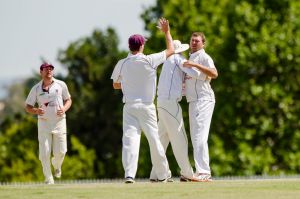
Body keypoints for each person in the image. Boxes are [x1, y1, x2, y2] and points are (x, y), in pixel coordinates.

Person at [111, 18, 174, 183]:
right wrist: (166, 32)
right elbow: (171, 49)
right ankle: (162, 175)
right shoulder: (150, 60)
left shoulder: (122, 63)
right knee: (154, 140)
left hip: (129, 107)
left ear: (129, 47)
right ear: (142, 46)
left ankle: (129, 175)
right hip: (146, 107)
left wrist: (128, 84)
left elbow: (116, 85)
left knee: (130, 140)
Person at [149, 40, 205, 182]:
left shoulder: (168, 61)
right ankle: (187, 173)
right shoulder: (177, 59)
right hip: (170, 104)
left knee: (162, 139)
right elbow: (196, 74)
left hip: (161, 103)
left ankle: (155, 174)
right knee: (180, 139)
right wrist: (205, 73)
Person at [25, 63, 72, 184]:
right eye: (46, 69)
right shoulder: (36, 88)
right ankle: (48, 178)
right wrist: (36, 110)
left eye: (51, 69)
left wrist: (64, 109)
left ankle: (56, 165)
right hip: (44, 123)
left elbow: (68, 100)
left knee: (61, 151)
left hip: (59, 122)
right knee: (44, 152)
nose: (49, 71)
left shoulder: (61, 84)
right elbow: (28, 106)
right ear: (41, 72)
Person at [183, 32, 218, 181]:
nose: (194, 43)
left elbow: (214, 73)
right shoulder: (189, 57)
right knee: (195, 136)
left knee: (199, 137)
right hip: (193, 101)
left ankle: (204, 171)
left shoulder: (204, 57)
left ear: (203, 43)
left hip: (204, 99)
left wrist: (195, 65)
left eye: (197, 41)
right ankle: (199, 171)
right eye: (192, 40)